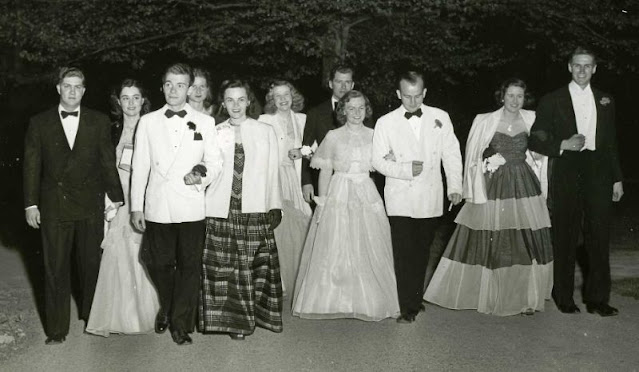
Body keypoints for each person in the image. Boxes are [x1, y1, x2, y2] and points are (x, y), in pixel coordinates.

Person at [424, 78, 553, 316]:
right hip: (493, 186)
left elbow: (541, 152)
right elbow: (473, 153)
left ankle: (522, 296)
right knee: (491, 240)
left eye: (520, 96)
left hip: (523, 186)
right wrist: (486, 163)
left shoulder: (532, 119)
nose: (515, 101)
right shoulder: (484, 120)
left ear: (525, 98)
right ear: (502, 96)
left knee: (523, 240)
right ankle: (491, 294)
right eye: (511, 95)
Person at [23, 67, 124, 344]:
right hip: (54, 206)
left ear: (84, 90)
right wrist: (31, 204)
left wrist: (116, 199)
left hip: (89, 204)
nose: (72, 91)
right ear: (58, 88)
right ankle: (56, 330)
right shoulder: (39, 122)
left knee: (91, 265)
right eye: (67, 86)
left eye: (77, 87)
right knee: (55, 267)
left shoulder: (99, 121)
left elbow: (106, 163)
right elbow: (32, 167)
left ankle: (94, 319)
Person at [130, 63, 221, 345]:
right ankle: (168, 306)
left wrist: (200, 174)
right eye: (169, 84)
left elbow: (214, 162)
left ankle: (180, 323)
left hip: (191, 203)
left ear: (190, 88)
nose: (174, 90)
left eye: (180, 85)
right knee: (157, 262)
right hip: (158, 204)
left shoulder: (205, 122)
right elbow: (140, 165)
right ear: (162, 86)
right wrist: (136, 206)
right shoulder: (148, 121)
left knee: (190, 265)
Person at [529, 47, 624, 317]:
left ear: (595, 69)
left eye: (588, 66)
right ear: (569, 67)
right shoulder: (552, 99)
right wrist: (562, 144)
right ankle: (563, 296)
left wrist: (616, 178)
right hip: (568, 168)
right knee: (566, 234)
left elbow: (611, 143)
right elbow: (536, 137)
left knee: (599, 236)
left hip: (598, 171)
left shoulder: (606, 99)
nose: (582, 70)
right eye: (577, 65)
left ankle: (597, 299)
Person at [292, 90, 400, 321]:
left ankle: (368, 299)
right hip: (339, 190)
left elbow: (385, 163)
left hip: (365, 191)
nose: (356, 113)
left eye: (361, 108)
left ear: (366, 110)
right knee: (337, 243)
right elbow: (325, 171)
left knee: (368, 242)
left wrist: (391, 158)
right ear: (342, 111)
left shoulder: (375, 135)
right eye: (351, 108)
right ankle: (333, 298)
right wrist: (322, 202)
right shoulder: (333, 136)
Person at [372, 70, 463, 323]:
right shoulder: (385, 122)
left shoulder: (440, 117)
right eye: (407, 97)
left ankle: (414, 297)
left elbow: (452, 153)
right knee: (403, 251)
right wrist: (403, 170)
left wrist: (455, 186)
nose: (412, 102)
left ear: (424, 93)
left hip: (430, 195)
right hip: (400, 196)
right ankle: (407, 307)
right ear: (398, 94)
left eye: (417, 96)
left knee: (422, 250)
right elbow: (377, 160)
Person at [200, 80, 283, 341]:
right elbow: (206, 167)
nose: (236, 105)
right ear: (223, 103)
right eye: (230, 100)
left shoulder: (264, 130)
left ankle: (250, 318)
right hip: (220, 207)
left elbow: (272, 170)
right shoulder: (214, 130)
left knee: (250, 266)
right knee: (222, 267)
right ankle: (229, 321)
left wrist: (275, 204)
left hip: (253, 206)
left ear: (249, 101)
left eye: (241, 99)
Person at [86, 79, 160, 336]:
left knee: (143, 253)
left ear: (143, 100)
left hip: (143, 199)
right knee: (118, 253)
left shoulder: (153, 127)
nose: (130, 103)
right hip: (117, 200)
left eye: (135, 97)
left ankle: (147, 313)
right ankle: (121, 316)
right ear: (118, 101)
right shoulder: (110, 129)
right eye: (125, 98)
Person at [258, 80, 312, 295]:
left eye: (286, 95)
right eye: (277, 96)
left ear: (293, 97)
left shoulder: (303, 119)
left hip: (296, 177)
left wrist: (303, 151)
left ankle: (301, 278)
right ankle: (276, 280)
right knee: (278, 225)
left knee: (302, 223)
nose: (282, 100)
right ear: (271, 100)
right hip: (274, 178)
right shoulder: (264, 120)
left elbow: (314, 148)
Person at [301, 65, 371, 205]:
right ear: (331, 83)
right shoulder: (315, 113)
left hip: (358, 185)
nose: (343, 86)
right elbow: (305, 148)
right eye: (339, 82)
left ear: (352, 84)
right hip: (325, 182)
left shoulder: (364, 113)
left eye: (347, 82)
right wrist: (306, 181)